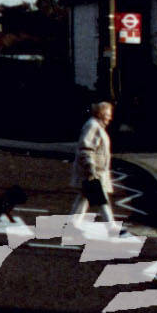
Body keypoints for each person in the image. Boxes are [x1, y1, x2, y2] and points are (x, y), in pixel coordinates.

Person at [70, 100, 120, 234]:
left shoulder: (97, 126)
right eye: (108, 114)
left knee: (84, 197)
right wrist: (90, 166)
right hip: (92, 170)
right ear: (101, 113)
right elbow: (85, 147)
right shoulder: (92, 125)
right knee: (100, 198)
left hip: (95, 170)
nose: (110, 117)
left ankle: (72, 224)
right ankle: (111, 227)